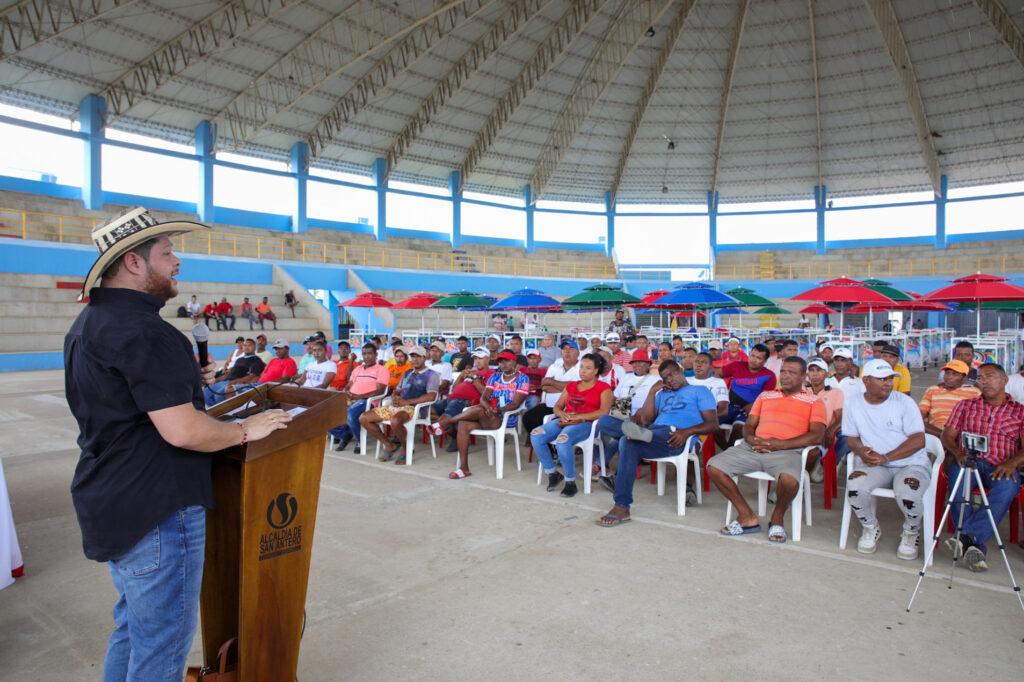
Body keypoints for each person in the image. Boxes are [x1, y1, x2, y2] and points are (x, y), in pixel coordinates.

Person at [64, 207, 288, 681]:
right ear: (133, 262)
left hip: (115, 500)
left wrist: (188, 380)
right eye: (167, 253)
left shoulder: (89, 324)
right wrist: (249, 429)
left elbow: (121, 402)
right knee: (162, 646)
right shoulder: (146, 331)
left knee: (133, 630)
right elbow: (184, 431)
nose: (177, 261)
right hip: (158, 510)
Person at [709, 356, 826, 543]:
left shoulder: (814, 401)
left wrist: (779, 444)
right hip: (754, 447)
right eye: (783, 372)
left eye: (792, 372)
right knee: (715, 466)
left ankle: (777, 518)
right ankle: (746, 515)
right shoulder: (765, 396)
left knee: (790, 481)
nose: (785, 376)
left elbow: (817, 436)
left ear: (804, 377)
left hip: (787, 451)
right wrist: (751, 439)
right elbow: (749, 425)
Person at [596, 360, 718, 526]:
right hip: (654, 432)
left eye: (672, 374)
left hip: (676, 436)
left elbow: (713, 424)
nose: (670, 379)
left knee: (627, 439)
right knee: (605, 422)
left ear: (680, 370)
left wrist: (686, 432)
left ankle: (621, 505)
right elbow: (645, 419)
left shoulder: (700, 391)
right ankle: (622, 507)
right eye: (665, 378)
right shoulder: (662, 394)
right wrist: (652, 392)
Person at [844, 359, 931, 559]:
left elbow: (918, 440)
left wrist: (886, 458)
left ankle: (911, 532)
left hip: (911, 463)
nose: (888, 383)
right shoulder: (853, 402)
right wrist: (861, 450)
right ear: (866, 380)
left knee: (908, 493)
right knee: (855, 485)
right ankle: (870, 527)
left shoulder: (904, 402)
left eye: (890, 378)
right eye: (882, 379)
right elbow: (851, 438)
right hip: (876, 464)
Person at [941, 363, 1024, 572]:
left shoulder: (1020, 411)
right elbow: (947, 436)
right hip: (969, 461)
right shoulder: (965, 405)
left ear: (1005, 380)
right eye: (980, 378)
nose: (984, 381)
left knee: (1007, 487)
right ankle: (974, 545)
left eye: (991, 376)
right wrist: (958, 452)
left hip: (1002, 465)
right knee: (958, 480)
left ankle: (966, 536)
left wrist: (1011, 463)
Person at [435, 351, 530, 479]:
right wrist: (488, 407)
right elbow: (484, 398)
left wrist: (497, 410)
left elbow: (515, 404)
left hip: (505, 417)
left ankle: (447, 422)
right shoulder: (495, 377)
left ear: (514, 362)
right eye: (501, 361)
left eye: (507, 361)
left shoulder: (523, 378)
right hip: (488, 414)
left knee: (479, 410)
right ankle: (464, 468)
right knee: (464, 423)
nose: (504, 364)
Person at [530, 354, 613, 498]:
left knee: (563, 440)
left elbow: (604, 412)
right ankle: (553, 473)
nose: (583, 371)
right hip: (565, 419)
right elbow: (557, 406)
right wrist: (561, 414)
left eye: (588, 368)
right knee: (536, 435)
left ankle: (570, 482)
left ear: (596, 371)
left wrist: (579, 417)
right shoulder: (571, 385)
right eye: (581, 367)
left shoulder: (604, 388)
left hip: (587, 424)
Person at [361, 347, 440, 463]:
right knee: (364, 418)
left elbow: (432, 396)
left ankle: (405, 448)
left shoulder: (431, 375)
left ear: (424, 358)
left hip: (417, 409)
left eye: (418, 357)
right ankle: (389, 445)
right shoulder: (408, 373)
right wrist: (395, 396)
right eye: (413, 357)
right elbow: (398, 389)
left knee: (395, 420)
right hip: (399, 406)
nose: (415, 359)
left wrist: (406, 402)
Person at [595, 350, 660, 488]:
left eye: (641, 362)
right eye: (635, 362)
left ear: (648, 363)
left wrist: (642, 411)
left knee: (621, 440)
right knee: (603, 421)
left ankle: (605, 471)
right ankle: (635, 434)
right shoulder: (626, 377)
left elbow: (657, 404)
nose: (637, 365)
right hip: (623, 419)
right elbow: (614, 397)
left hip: (643, 421)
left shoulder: (655, 380)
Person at [327, 343, 390, 453]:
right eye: (364, 354)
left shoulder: (381, 370)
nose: (367, 356)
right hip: (351, 399)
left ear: (376, 354)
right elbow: (348, 385)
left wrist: (359, 396)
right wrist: (346, 392)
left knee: (350, 414)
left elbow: (379, 391)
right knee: (324, 411)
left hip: (367, 401)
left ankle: (359, 439)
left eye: (370, 353)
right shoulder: (358, 369)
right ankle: (345, 434)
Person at [430, 349, 493, 452]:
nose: (477, 361)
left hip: (466, 401)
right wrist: (460, 376)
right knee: (427, 411)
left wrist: (475, 377)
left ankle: (452, 432)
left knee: (444, 420)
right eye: (475, 358)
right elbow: (454, 389)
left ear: (488, 359)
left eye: (480, 358)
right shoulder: (471, 372)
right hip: (452, 398)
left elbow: (485, 392)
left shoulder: (491, 373)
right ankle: (455, 433)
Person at [521, 340, 581, 433]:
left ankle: (552, 445)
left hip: (571, 409)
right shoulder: (555, 366)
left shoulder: (582, 367)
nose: (567, 351)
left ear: (578, 353)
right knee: (528, 418)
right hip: (550, 406)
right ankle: (547, 446)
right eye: (564, 349)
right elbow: (544, 387)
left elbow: (578, 388)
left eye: (571, 349)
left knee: (554, 427)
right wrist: (567, 386)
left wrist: (552, 381)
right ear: (561, 352)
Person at [805, 358, 845, 483]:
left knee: (811, 453)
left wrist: (830, 430)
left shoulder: (835, 393)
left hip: (820, 436)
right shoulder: (802, 390)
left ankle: (798, 484)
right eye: (811, 370)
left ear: (826, 374)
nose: (815, 374)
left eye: (819, 370)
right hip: (801, 432)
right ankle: (794, 482)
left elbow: (841, 416)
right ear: (807, 374)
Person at [720, 343, 776, 430]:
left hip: (749, 410)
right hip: (729, 407)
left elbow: (767, 398)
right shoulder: (737, 366)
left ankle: (731, 444)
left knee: (738, 428)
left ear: (765, 361)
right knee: (710, 424)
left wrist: (753, 405)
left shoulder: (769, 375)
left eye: (759, 358)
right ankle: (725, 444)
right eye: (752, 355)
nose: (754, 360)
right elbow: (718, 374)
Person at [919, 360, 981, 437]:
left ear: (965, 378)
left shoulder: (973, 392)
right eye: (947, 373)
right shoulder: (933, 390)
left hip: (961, 431)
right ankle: (947, 438)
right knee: (918, 422)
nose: (949, 377)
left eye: (955, 374)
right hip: (935, 430)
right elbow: (921, 414)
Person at [226, 338, 297, 397]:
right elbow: (262, 375)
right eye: (276, 349)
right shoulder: (273, 360)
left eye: (280, 349)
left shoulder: (290, 362)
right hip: (260, 385)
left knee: (231, 390)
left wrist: (266, 384)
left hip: (268, 388)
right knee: (230, 388)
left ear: (287, 348)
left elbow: (285, 379)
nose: (277, 351)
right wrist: (249, 382)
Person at [204, 338, 265, 406]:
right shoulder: (240, 359)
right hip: (226, 381)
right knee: (205, 392)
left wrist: (235, 382)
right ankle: (215, 414)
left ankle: (222, 413)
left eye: (249, 345)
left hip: (235, 383)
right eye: (245, 345)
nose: (247, 347)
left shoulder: (256, 360)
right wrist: (215, 380)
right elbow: (229, 374)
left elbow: (252, 375)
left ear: (254, 347)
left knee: (218, 396)